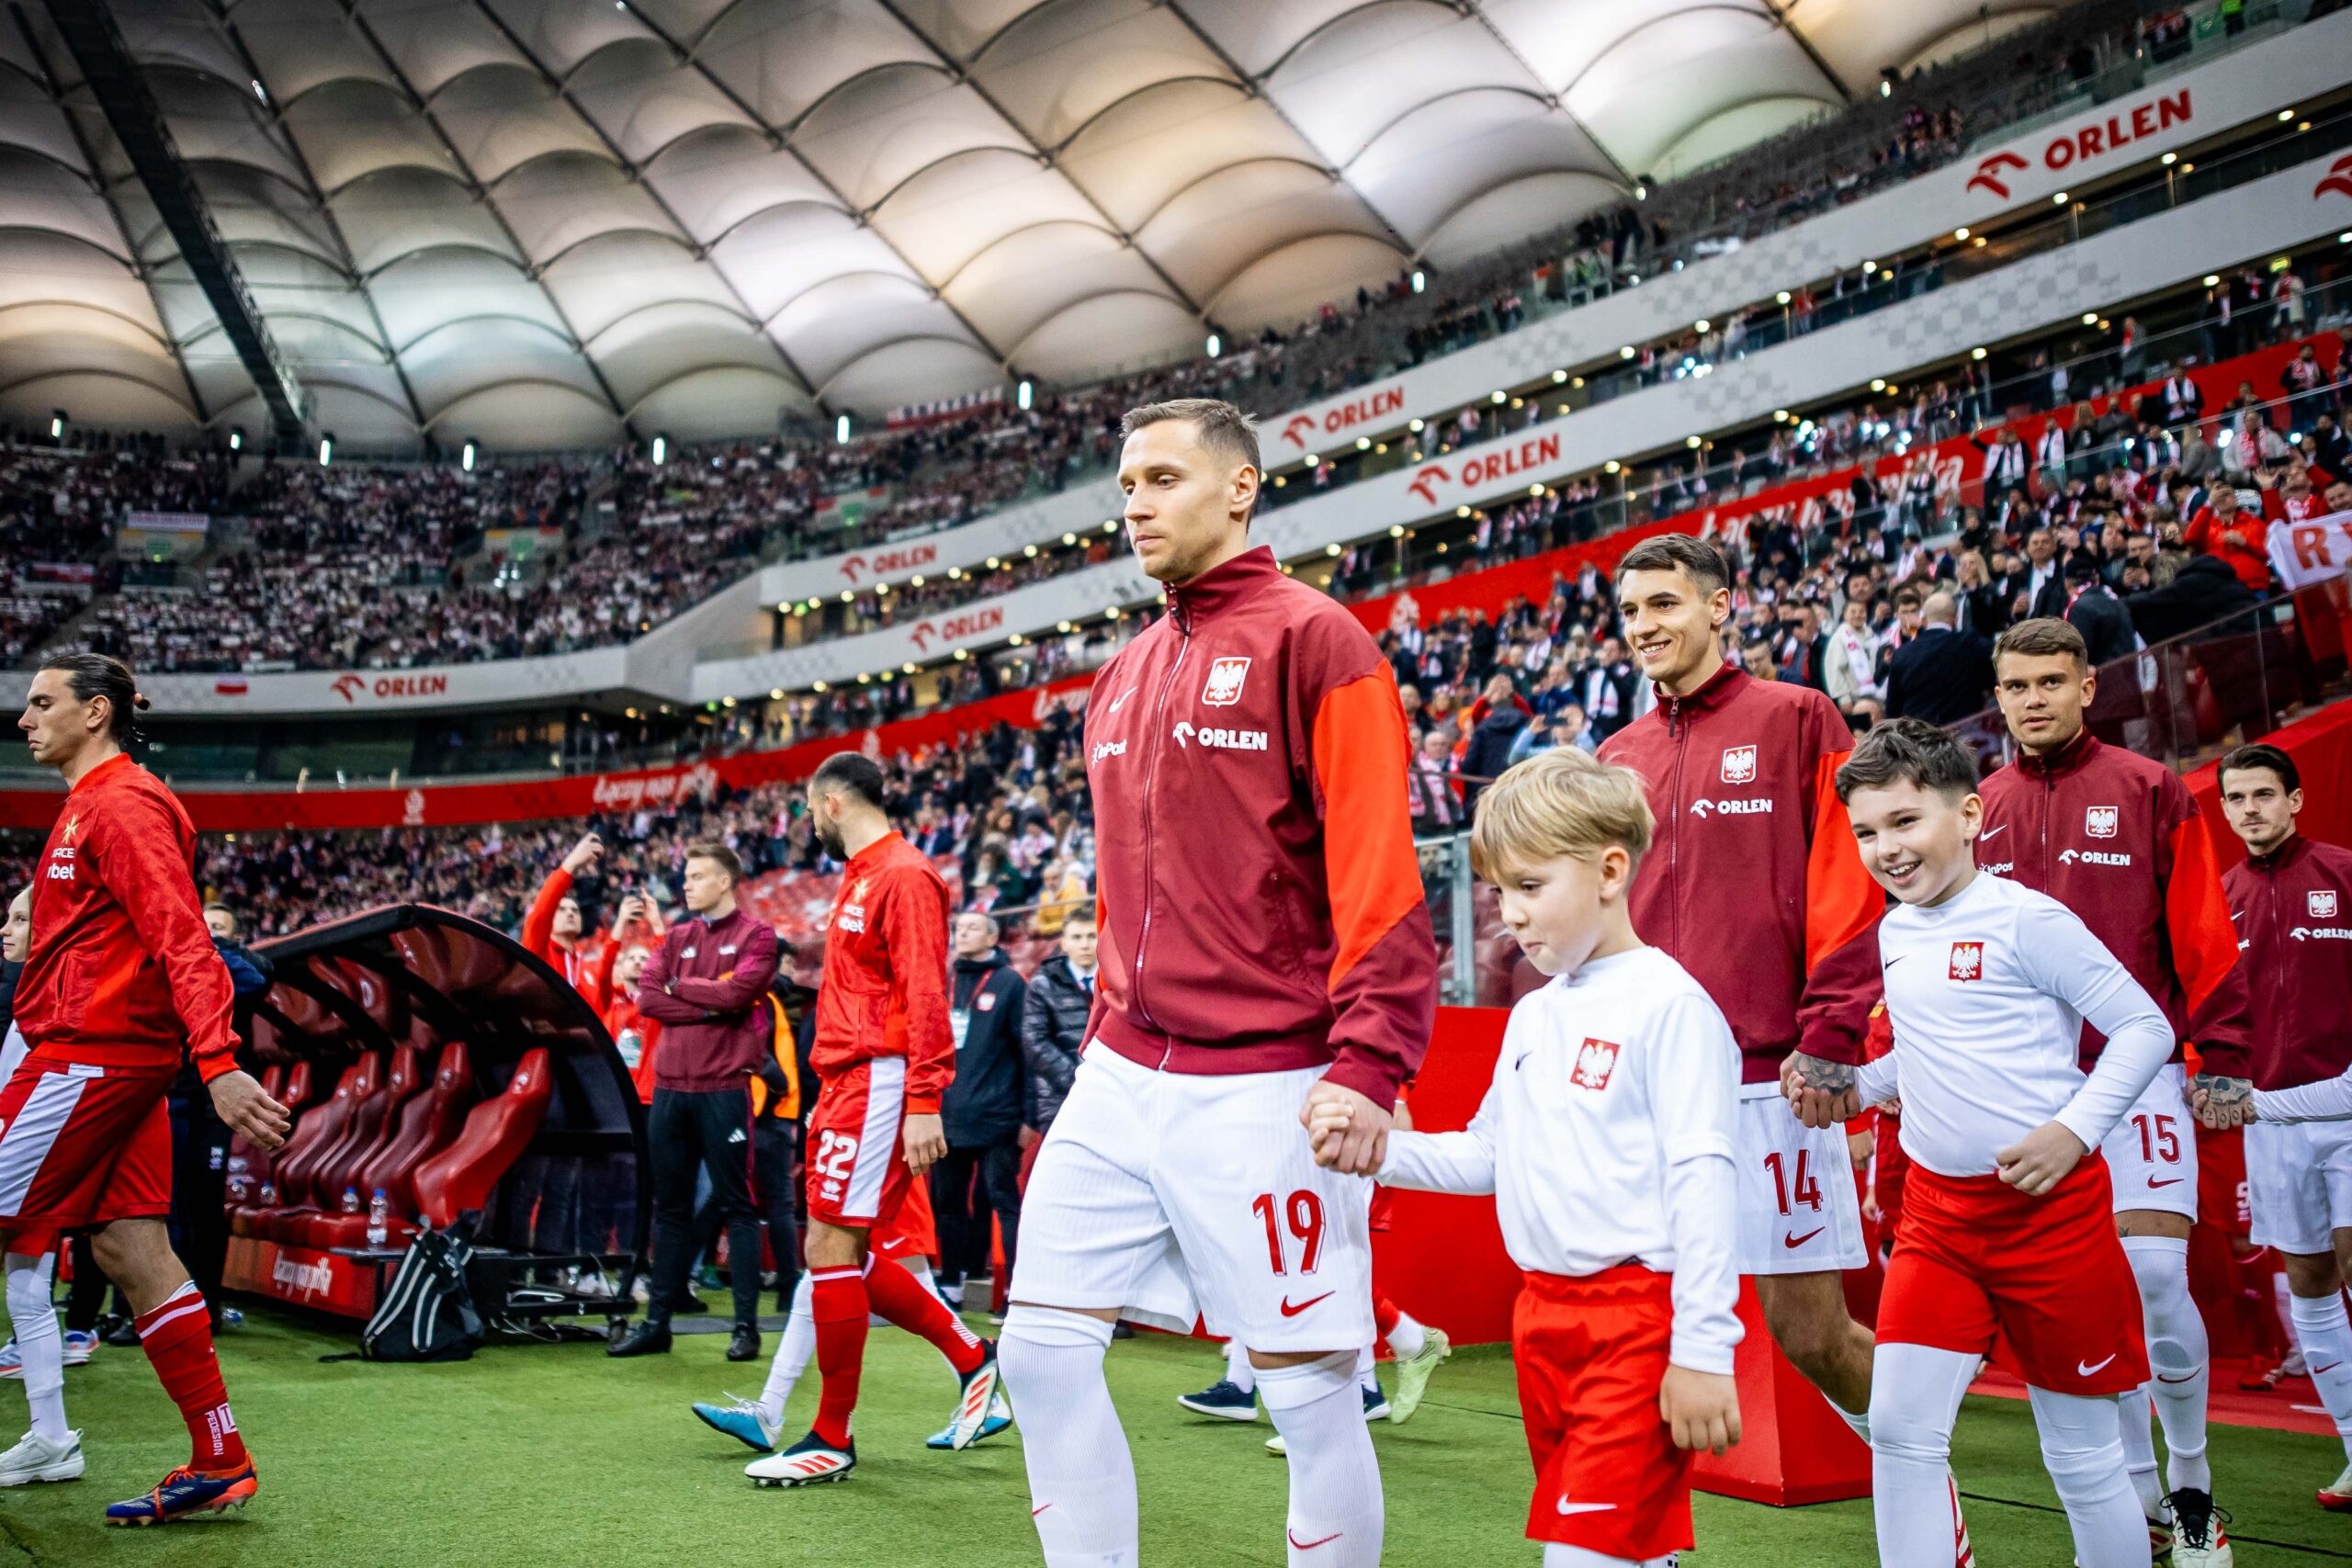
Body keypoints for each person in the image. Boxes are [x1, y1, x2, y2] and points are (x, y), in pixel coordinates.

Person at [1002, 398, 1436, 1567]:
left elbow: (1378, 877)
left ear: (1240, 488)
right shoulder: (1126, 671)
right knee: (1036, 1354)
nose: (1133, 503)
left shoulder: (1320, 641)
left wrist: (1368, 1060)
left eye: (1160, 478)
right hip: (1119, 1069)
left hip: (1270, 1081)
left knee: (1307, 1399)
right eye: (1125, 484)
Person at [1592, 535, 1936, 1544]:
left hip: (1770, 1082)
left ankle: (1922, 1462)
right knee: (1635, 1332)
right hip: (1650, 1089)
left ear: (1720, 608)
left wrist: (1829, 1031)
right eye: (1630, 613)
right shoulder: (1619, 759)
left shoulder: (1796, 718)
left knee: (1809, 1332)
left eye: (1664, 604)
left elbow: (1846, 878)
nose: (1646, 626)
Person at [1319, 747, 1740, 1566]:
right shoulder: (1535, 1013)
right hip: (1541, 1320)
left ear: (1611, 870)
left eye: (1531, 885)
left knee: (1582, 1555)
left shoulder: (1674, 1007)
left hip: (1638, 1323)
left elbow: (1706, 1186)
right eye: (1498, 890)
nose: (1508, 911)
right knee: (1627, 1550)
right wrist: (1379, 1150)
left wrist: (1702, 1348)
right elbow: (1489, 1156)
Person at [1809, 718, 2174, 1568]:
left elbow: (2143, 1029)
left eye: (1905, 822)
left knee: (2082, 1460)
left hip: (2053, 1223)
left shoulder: (2028, 919)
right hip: (1939, 1221)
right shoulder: (1896, 929)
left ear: (1970, 815)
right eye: (1866, 831)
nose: (1885, 849)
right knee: (1900, 1434)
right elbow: (1931, 1050)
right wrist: (1854, 1088)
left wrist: (2073, 1132)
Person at [1977, 617, 2253, 1561]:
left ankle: (2189, 1478)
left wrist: (2218, 1050)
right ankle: (2139, 1493)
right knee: (2080, 1302)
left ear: (2089, 686)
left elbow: (2200, 926)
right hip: (2024, 1091)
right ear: (1999, 694)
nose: (2034, 700)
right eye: (2016, 686)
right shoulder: (1978, 808)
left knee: (2150, 1274)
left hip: (2134, 1077)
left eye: (2051, 681)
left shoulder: (2148, 790)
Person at [1, 652, 289, 1523]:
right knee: (131, 1251)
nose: (24, 718)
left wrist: (221, 1061)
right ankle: (219, 1455)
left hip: (92, 1057)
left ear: (96, 712)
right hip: (110, 1058)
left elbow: (184, 939)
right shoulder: (92, 804)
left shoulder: (121, 805)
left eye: (42, 702)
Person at [742, 751, 1000, 1485]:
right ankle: (971, 1355)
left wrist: (923, 1099)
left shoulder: (905, 874)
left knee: (830, 1243)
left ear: (828, 803)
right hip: (848, 1078)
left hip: (881, 1080)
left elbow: (925, 991)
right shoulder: (861, 874)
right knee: (839, 1247)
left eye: (806, 810)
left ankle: (832, 1434)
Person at [2211, 743, 2352, 1512]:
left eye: (2265, 794)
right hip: (2270, 1124)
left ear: (2295, 799)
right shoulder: (2218, 896)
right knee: (2310, 1283)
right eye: (2237, 798)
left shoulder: (2344, 873)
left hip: (2350, 1114)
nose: (2251, 809)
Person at [608, 843, 781, 1361]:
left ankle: (745, 1327)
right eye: (686, 875)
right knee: (671, 1210)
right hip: (670, 1092)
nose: (687, 884)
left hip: (724, 1091)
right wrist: (708, 1005)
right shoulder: (679, 935)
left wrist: (683, 990)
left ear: (725, 881)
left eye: (698, 875)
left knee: (737, 1207)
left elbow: (740, 995)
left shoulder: (758, 936)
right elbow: (648, 997)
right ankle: (657, 1323)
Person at [0, 885, 77, 1487]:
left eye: (21, 918)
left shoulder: (54, 1000)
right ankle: (52, 1436)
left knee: (29, 1293)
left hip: (28, 1158)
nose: (6, 928)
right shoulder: (30, 994)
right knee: (28, 1294)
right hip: (27, 1154)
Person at [935, 910, 1026, 1313]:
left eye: (972, 928)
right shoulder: (944, 982)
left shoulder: (1009, 983)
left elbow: (1027, 1052)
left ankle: (1015, 1292)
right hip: (949, 1115)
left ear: (992, 938)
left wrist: (1029, 1117)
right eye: (958, 928)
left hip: (998, 1116)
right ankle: (951, 1285)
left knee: (1004, 1202)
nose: (962, 933)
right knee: (949, 1203)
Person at [1017, 909, 1094, 1182]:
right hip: (1059, 1099)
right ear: (1064, 942)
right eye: (1077, 937)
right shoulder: (1042, 983)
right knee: (1069, 1180)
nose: (1084, 944)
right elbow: (1034, 1040)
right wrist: (1079, 1079)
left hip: (1112, 1095)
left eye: (1091, 936)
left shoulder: (1117, 980)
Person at [1883, 592, 1993, 726]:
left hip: (1918, 740)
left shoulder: (1901, 654)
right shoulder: (1971, 643)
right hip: (1964, 738)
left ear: (1923, 620)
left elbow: (1892, 711)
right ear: (1955, 619)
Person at [523, 831, 605, 1001]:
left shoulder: (587, 968)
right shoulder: (538, 952)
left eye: (575, 911)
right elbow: (540, 914)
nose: (570, 913)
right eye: (561, 910)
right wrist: (570, 864)